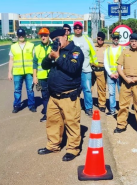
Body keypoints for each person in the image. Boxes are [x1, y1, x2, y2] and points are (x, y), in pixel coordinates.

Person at [37, 29, 84, 162]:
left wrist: (57, 57)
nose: (56, 42)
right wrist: (50, 56)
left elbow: (72, 68)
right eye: (54, 40)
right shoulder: (55, 50)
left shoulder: (75, 51)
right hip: (54, 96)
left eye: (58, 39)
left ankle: (73, 149)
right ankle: (53, 145)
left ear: (65, 36)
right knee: (53, 123)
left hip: (68, 96)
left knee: (71, 123)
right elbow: (44, 65)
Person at [114, 33, 137, 137]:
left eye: (135, 41)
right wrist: (125, 78)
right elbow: (119, 66)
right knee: (123, 105)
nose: (133, 43)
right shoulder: (125, 52)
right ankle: (121, 125)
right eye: (132, 41)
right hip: (126, 82)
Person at [70, 21, 98, 117]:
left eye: (79, 27)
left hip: (86, 69)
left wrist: (93, 63)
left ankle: (88, 108)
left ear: (82, 29)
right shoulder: (70, 39)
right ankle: (73, 108)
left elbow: (93, 52)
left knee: (87, 90)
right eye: (76, 27)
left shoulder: (88, 39)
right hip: (72, 71)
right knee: (73, 90)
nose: (78, 29)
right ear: (74, 29)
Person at [8, 28, 36, 113]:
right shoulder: (13, 47)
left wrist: (35, 73)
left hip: (29, 72)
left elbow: (34, 60)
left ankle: (31, 105)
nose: (21, 36)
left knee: (30, 90)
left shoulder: (31, 45)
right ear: (17, 36)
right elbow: (11, 60)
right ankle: (16, 105)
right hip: (17, 72)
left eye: (22, 34)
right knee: (17, 90)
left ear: (25, 35)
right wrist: (9, 72)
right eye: (19, 35)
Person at [33, 28, 51, 122]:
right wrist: (35, 76)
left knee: (54, 96)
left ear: (48, 36)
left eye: (45, 35)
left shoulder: (53, 47)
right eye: (42, 36)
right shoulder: (36, 48)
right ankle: (46, 114)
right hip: (42, 77)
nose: (43, 37)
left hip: (52, 76)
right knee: (44, 96)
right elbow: (35, 64)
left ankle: (55, 114)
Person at [104, 32, 124, 116]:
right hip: (110, 75)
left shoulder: (123, 49)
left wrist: (119, 72)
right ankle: (112, 110)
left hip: (120, 75)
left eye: (117, 38)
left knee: (121, 92)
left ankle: (122, 110)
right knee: (111, 93)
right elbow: (106, 62)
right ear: (111, 39)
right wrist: (110, 73)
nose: (116, 39)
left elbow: (124, 62)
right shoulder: (107, 50)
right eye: (114, 38)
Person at [92, 31, 108, 112]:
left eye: (102, 39)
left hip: (101, 70)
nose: (100, 40)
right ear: (96, 38)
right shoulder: (93, 46)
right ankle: (88, 103)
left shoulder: (107, 47)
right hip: (92, 69)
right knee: (89, 88)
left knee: (101, 88)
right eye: (99, 38)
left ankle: (102, 104)